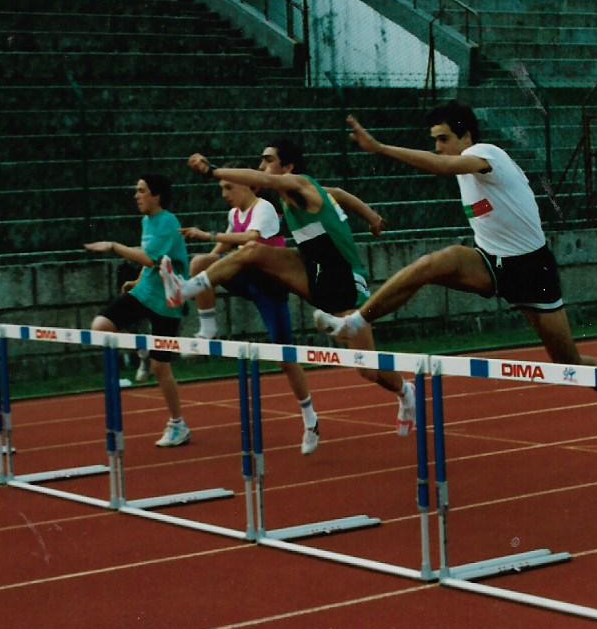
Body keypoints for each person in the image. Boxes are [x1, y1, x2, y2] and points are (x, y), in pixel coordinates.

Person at [314, 101, 597, 434]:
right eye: (434, 140)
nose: (438, 147)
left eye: (443, 139)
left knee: (567, 362)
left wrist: (379, 148)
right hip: (490, 262)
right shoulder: (465, 170)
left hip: (533, 271)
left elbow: (441, 166)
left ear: (466, 137)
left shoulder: (486, 153)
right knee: (434, 262)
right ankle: (356, 322)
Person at [158, 140, 417, 439]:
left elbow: (270, 180)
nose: (261, 167)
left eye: (268, 160)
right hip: (312, 270)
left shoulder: (302, 184)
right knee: (252, 251)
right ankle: (185, 290)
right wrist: (372, 217)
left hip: (343, 279)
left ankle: (404, 391)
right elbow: (340, 194)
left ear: (288, 167)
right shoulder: (295, 195)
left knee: (367, 369)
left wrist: (212, 171)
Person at [180, 165, 328, 454]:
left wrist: (208, 235)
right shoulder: (233, 215)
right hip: (247, 278)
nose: (225, 194)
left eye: (229, 188)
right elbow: (219, 252)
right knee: (200, 263)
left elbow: (250, 238)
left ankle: (310, 419)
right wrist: (201, 271)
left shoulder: (264, 208)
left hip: (271, 285)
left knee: (285, 357)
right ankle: (208, 328)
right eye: (221, 189)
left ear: (250, 186)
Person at [84, 174, 192, 447]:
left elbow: (151, 258)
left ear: (157, 195)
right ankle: (141, 350)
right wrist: (138, 280)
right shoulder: (147, 221)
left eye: (142, 191)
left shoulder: (169, 221)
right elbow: (152, 259)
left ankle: (178, 424)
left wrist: (114, 246)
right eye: (137, 190)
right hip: (145, 292)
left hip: (168, 300)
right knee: (100, 327)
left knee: (161, 368)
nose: (136, 195)